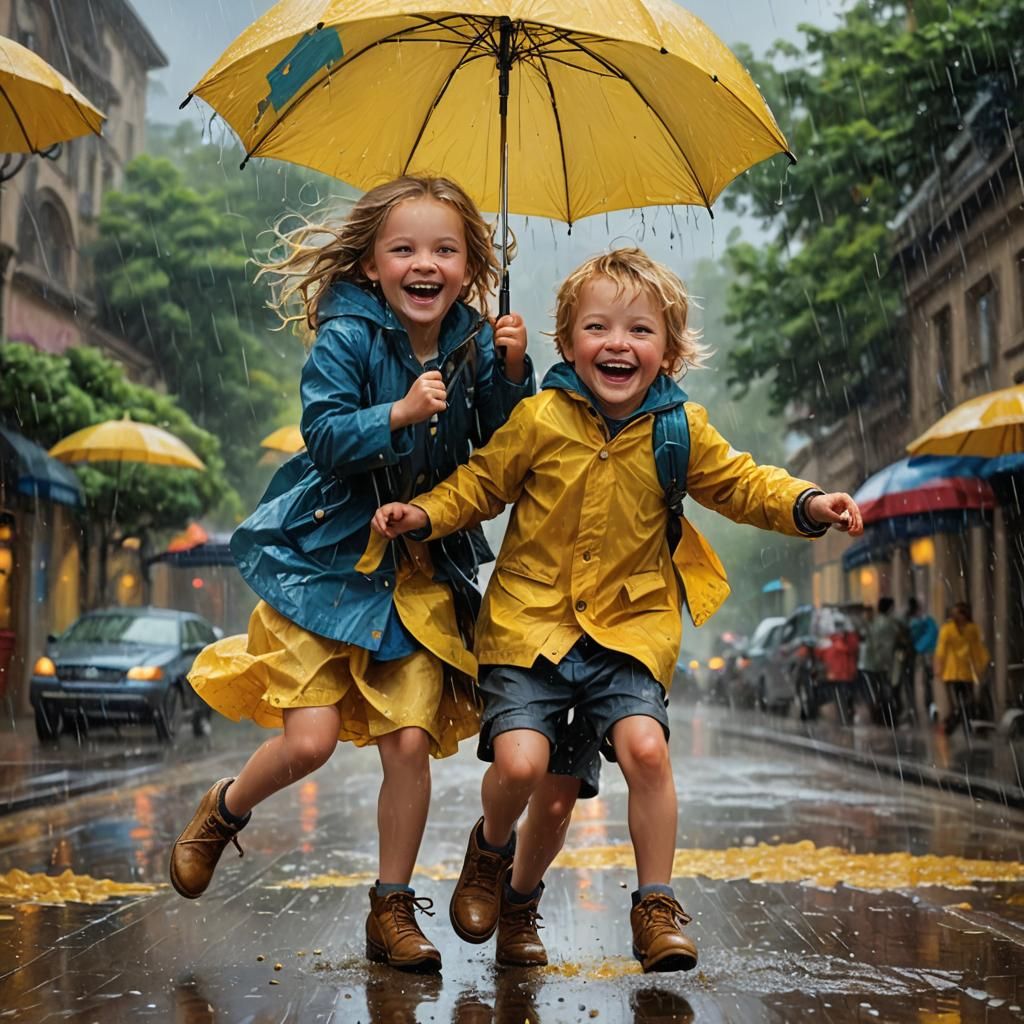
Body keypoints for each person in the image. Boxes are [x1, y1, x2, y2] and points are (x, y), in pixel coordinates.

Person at [372, 248, 864, 972]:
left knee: (639, 754)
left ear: (668, 349)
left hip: (629, 630)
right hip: (528, 626)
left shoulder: (680, 428)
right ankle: (490, 852)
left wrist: (808, 503)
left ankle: (649, 906)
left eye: (640, 330)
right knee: (521, 764)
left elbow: (741, 484)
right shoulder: (541, 417)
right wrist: (422, 512)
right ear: (569, 344)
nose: (619, 344)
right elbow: (482, 483)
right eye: (598, 328)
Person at [168, 175, 534, 974]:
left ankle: (391, 909)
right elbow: (326, 434)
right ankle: (225, 811)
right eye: (404, 249)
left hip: (414, 572)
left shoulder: (476, 343)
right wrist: (396, 414)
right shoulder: (346, 334)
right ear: (372, 265)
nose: (424, 263)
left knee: (408, 740)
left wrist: (510, 372)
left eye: (445, 249)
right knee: (310, 741)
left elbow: (498, 449)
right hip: (325, 561)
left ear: (470, 267)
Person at [935, 601, 990, 738]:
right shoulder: (947, 629)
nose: (955, 615)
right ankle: (957, 725)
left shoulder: (972, 629)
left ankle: (958, 725)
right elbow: (940, 650)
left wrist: (983, 664)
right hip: (951, 673)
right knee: (956, 704)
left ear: (964, 614)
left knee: (967, 702)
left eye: (958, 612)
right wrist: (938, 667)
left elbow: (977, 649)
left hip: (967, 673)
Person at [861, 597, 903, 726]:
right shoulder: (888, 623)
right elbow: (890, 642)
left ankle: (881, 718)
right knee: (886, 692)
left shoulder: (875, 621)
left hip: (873, 664)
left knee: (878, 693)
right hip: (883, 664)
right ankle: (888, 718)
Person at [907, 596, 939, 723]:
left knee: (921, 682)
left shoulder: (913, 623)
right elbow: (934, 634)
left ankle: (919, 708)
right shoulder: (927, 621)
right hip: (927, 654)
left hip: (918, 655)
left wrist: (917, 648)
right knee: (927, 682)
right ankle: (929, 705)